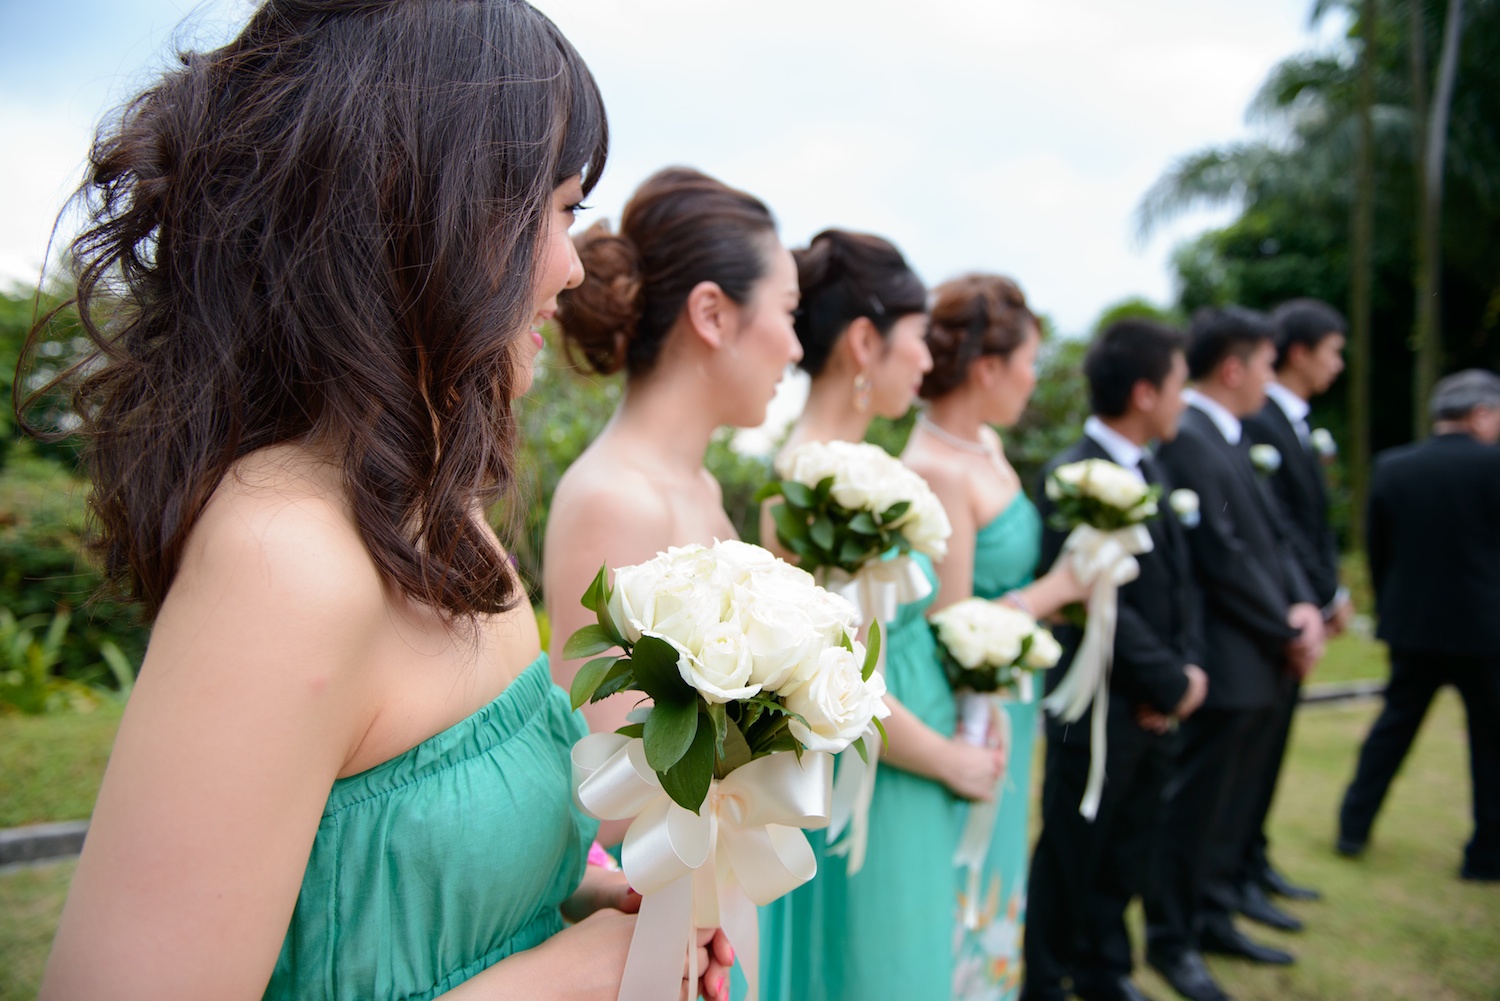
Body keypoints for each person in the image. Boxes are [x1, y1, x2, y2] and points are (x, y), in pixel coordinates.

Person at [27, 4, 732, 998]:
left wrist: (577, 905)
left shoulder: (446, 516)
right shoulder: (282, 557)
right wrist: (571, 978)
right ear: (434, 209)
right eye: (561, 209)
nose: (575, 267)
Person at [759, 230, 1000, 1001]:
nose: (930, 361)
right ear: (866, 341)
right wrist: (948, 757)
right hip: (887, 772)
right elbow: (832, 677)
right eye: (919, 340)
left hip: (925, 753)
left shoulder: (871, 468)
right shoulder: (805, 487)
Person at [544, 166, 801, 743]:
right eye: (787, 312)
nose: (795, 346)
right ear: (711, 314)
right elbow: (603, 771)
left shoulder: (699, 485)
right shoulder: (612, 501)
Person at [900, 273, 1086, 1001]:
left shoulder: (990, 448)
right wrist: (1061, 588)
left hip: (1013, 693)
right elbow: (951, 629)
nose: (1033, 379)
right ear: (986, 368)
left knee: (1000, 863)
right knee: (962, 875)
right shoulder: (934, 468)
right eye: (1028, 362)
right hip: (967, 705)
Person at [1020, 319, 1207, 1001]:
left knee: (1130, 843)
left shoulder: (1153, 468)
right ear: (1144, 391)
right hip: (1097, 700)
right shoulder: (1072, 475)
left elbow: (1179, 585)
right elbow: (1100, 604)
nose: (1185, 400)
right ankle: (1043, 979)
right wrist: (1167, 677)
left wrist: (1183, 675)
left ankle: (1105, 969)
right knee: (1073, 845)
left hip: (1157, 703)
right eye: (1180, 385)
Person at [1147, 307, 1324, 1001]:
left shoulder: (1229, 435)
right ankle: (1173, 937)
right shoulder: (1190, 437)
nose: (1271, 379)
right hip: (1227, 654)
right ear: (1234, 368)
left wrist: (1303, 604)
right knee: (1194, 809)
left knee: (1227, 804)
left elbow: (1272, 535)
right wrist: (1284, 625)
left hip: (1258, 651)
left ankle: (1212, 913)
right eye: (1266, 365)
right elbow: (1222, 556)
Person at [1337, 369, 1500, 881]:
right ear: (1480, 414)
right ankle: (1486, 856)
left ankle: (1352, 827)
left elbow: (1378, 551)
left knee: (1391, 731)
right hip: (1486, 631)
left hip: (1413, 628)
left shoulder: (1393, 467)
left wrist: (1392, 609)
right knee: (1492, 744)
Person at [1237, 298, 1350, 926]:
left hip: (1299, 607)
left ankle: (1253, 857)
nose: (1339, 365)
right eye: (1333, 351)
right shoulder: (1260, 423)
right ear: (1299, 352)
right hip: (1278, 615)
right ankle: (1235, 871)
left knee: (1272, 752)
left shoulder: (1297, 423)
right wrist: (1314, 598)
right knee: (1252, 756)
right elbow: (1275, 527)